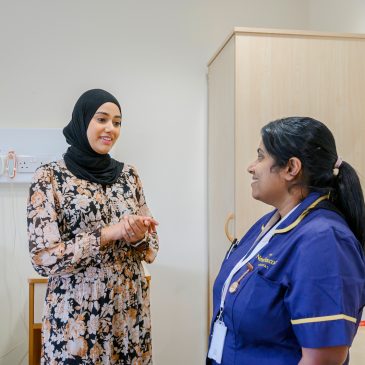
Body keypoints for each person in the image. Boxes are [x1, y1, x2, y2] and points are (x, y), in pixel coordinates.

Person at [207, 117, 365, 365]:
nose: (251, 167)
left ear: (291, 168)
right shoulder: (272, 224)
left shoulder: (325, 241)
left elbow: (322, 359)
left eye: (261, 157)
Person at [27, 89, 159, 364]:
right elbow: (43, 258)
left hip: (127, 313)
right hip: (75, 319)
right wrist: (107, 234)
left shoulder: (129, 175)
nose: (110, 128)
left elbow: (151, 249)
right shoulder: (50, 177)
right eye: (102, 119)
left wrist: (138, 236)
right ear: (82, 120)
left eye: (117, 122)